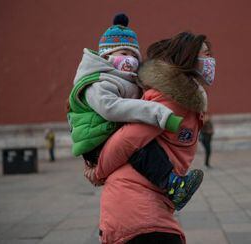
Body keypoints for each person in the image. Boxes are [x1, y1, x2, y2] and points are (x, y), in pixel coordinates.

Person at [85, 31, 215, 243]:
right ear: (189, 58)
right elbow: (126, 139)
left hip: (144, 206)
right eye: (206, 55)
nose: (210, 61)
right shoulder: (170, 100)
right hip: (134, 208)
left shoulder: (185, 99)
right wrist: (98, 173)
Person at [68, 14, 202, 208]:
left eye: (133, 55)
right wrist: (158, 112)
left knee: (142, 144)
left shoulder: (125, 79)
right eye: (123, 53)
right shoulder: (96, 82)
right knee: (141, 149)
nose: (129, 59)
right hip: (95, 141)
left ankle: (171, 184)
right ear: (106, 56)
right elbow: (110, 108)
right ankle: (172, 184)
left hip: (106, 133)